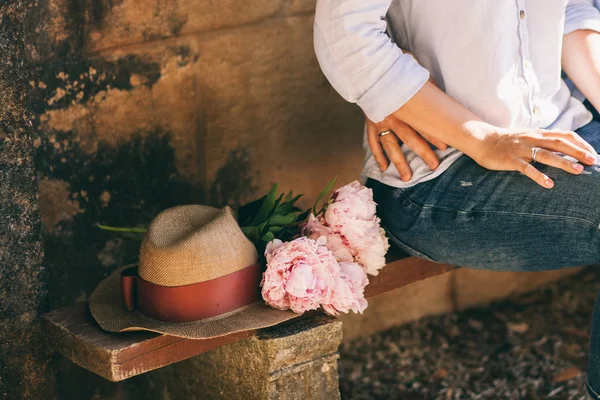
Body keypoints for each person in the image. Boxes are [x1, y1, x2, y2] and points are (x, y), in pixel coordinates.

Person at [314, 0, 600, 397]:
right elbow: (345, 30)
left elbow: (572, 11)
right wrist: (483, 138)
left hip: (567, 126)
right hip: (442, 169)